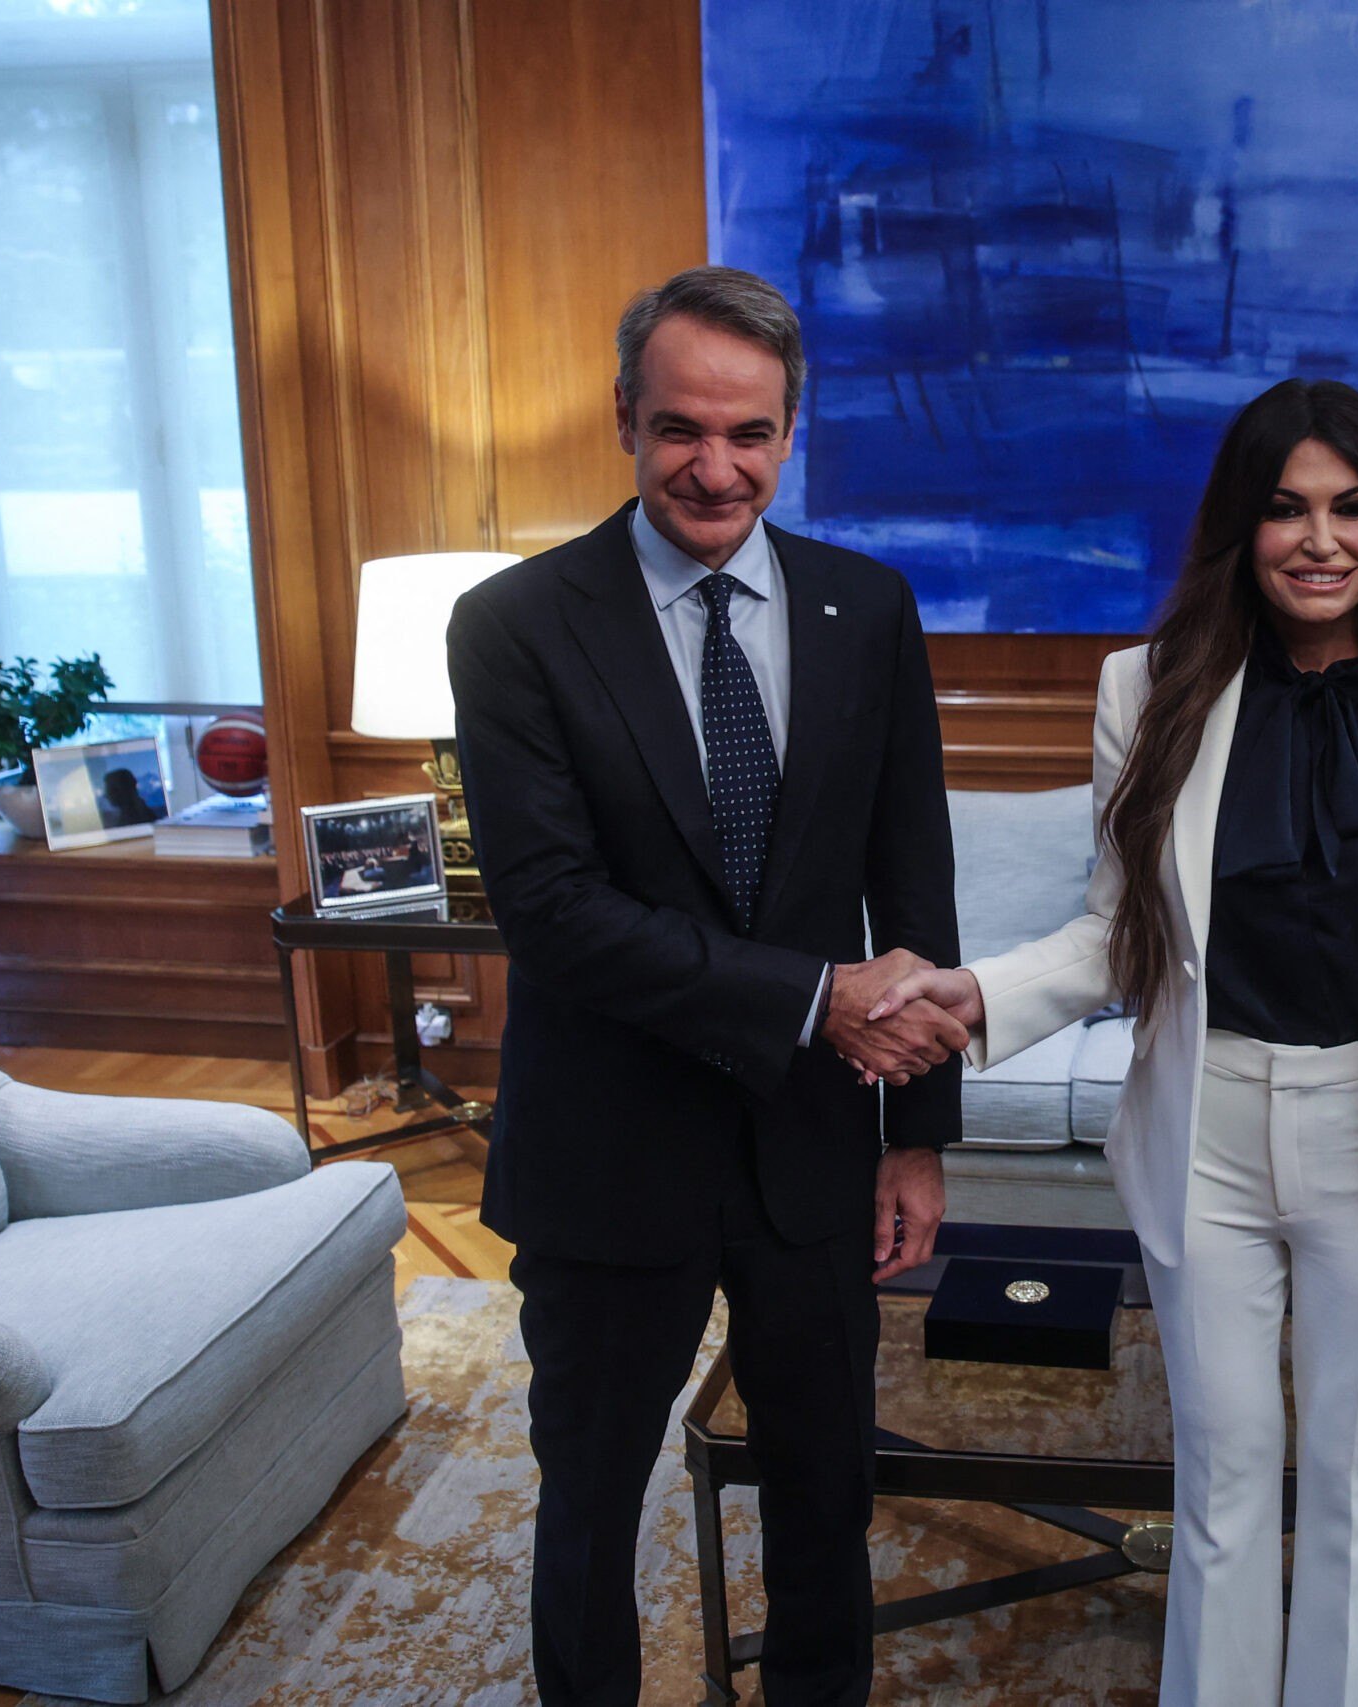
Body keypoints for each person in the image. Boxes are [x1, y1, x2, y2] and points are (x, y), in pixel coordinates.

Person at [872, 378, 1358, 1705]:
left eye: (1349, 509)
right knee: (1222, 1480)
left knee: (1352, 1486)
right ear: (1244, 525)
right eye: (1287, 508)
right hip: (1205, 1128)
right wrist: (972, 995)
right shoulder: (1148, 687)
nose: (1320, 538)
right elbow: (1118, 933)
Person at [447, 265, 971, 1706]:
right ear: (626, 417)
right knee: (591, 1506)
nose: (715, 466)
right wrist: (818, 997)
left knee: (825, 1497)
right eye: (681, 428)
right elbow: (554, 914)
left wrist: (918, 1131)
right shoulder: (516, 626)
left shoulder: (868, 609)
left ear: (791, 431)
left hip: (811, 1147)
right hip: (606, 1159)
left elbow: (912, 888)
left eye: (749, 433)